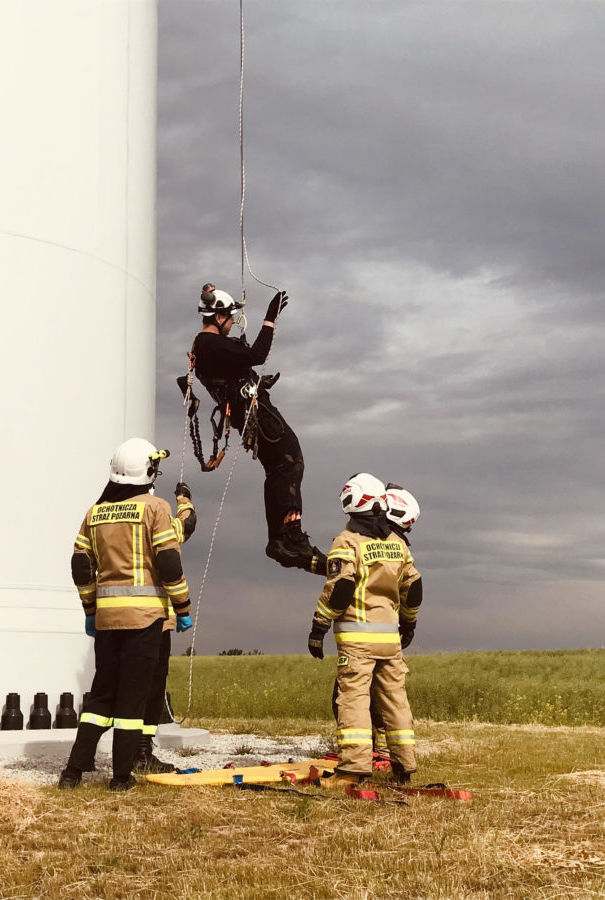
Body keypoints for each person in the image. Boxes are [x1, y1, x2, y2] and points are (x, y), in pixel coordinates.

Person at [60, 438, 193, 791]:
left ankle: (73, 771)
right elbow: (169, 560)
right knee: (134, 696)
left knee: (101, 695)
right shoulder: (155, 508)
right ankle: (121, 777)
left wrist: (91, 609)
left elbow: (80, 566)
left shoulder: (95, 512)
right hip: (144, 620)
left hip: (106, 620)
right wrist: (182, 608)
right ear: (148, 471)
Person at [182, 283, 324, 575]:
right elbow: (258, 354)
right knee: (290, 462)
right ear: (218, 317)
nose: (233, 322)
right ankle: (290, 537)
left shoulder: (208, 347)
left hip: (248, 415)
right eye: (230, 317)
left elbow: (238, 364)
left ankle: (280, 539)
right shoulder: (211, 344)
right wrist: (270, 319)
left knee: (276, 470)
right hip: (256, 415)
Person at [307, 473, 424, 790]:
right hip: (390, 639)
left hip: (358, 639)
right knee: (395, 701)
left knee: (354, 701)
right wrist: (408, 625)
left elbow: (340, 587)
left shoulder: (347, 542)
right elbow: (413, 588)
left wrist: (319, 627)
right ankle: (404, 765)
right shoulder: (397, 543)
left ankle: (353, 770)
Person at [134, 480, 197, 775]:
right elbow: (188, 524)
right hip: (155, 619)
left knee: (119, 687)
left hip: (116, 620)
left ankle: (112, 752)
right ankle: (141, 751)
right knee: (152, 686)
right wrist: (184, 500)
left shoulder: (111, 518)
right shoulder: (161, 520)